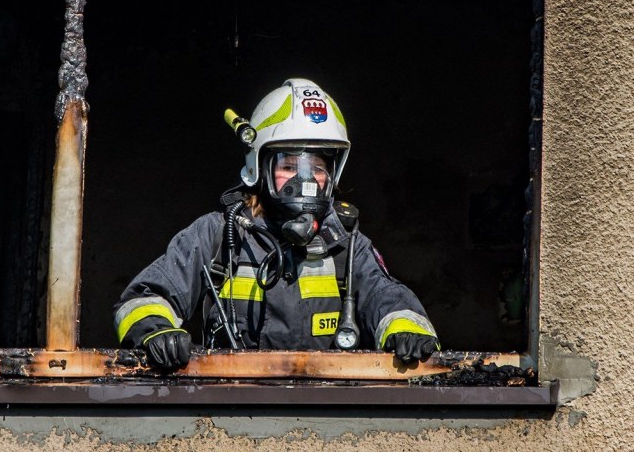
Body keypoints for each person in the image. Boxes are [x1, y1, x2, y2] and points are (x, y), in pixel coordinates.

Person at [112, 77, 439, 371]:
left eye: (318, 167)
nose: (305, 180)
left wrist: (406, 329)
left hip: (325, 424)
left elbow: (386, 297)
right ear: (258, 166)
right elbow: (143, 298)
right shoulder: (217, 236)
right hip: (227, 415)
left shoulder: (347, 245)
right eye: (290, 165)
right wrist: (156, 330)